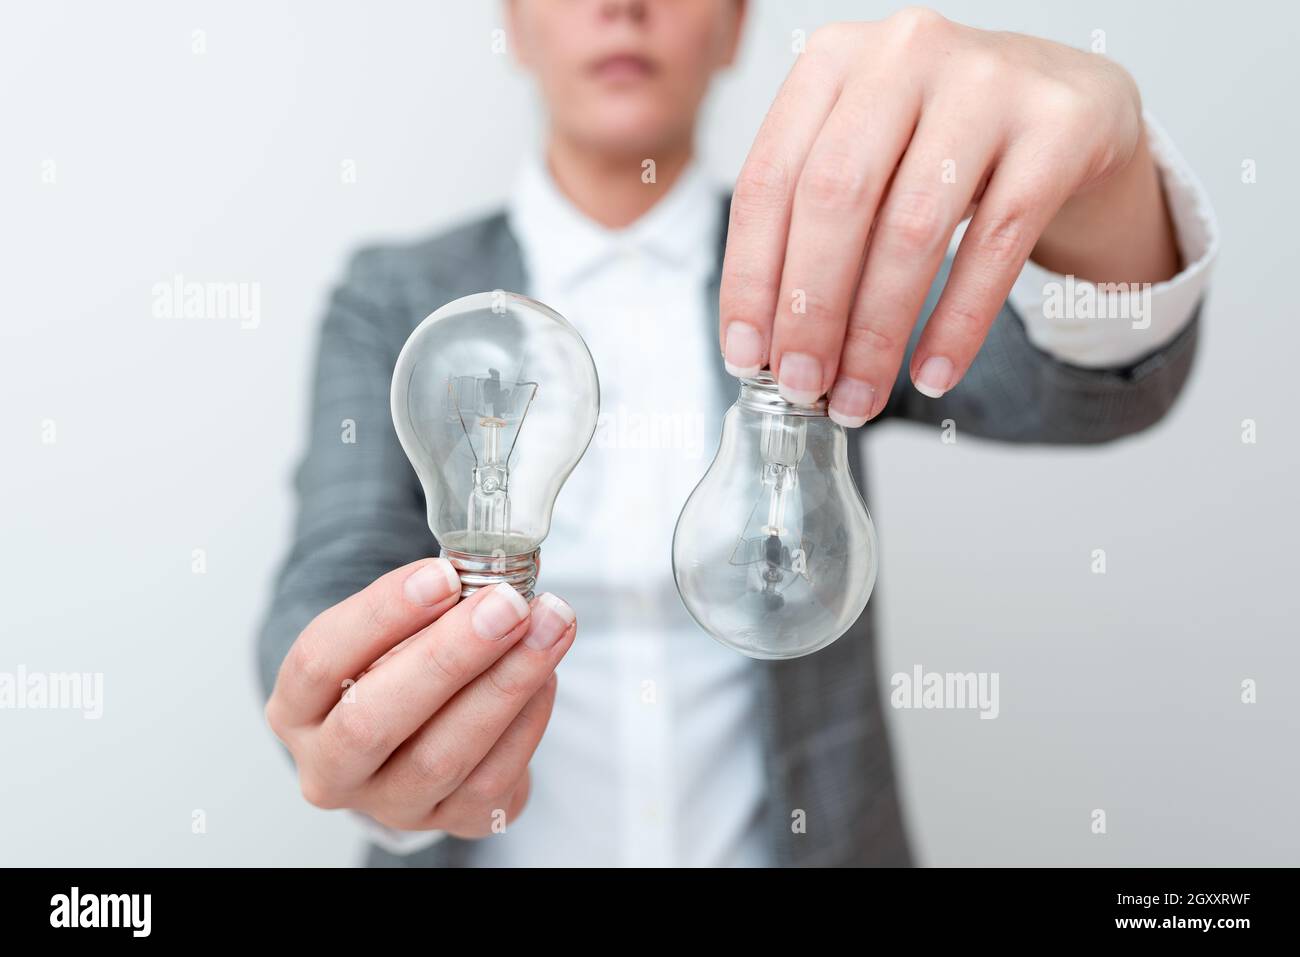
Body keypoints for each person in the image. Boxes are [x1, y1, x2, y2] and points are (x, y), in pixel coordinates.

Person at [259, 1, 1215, 866]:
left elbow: (1088, 388)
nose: (621, 9)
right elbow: (332, 567)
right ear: (516, 23)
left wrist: (1106, 175)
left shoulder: (831, 268)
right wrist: (368, 727)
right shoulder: (398, 297)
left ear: (732, 27)